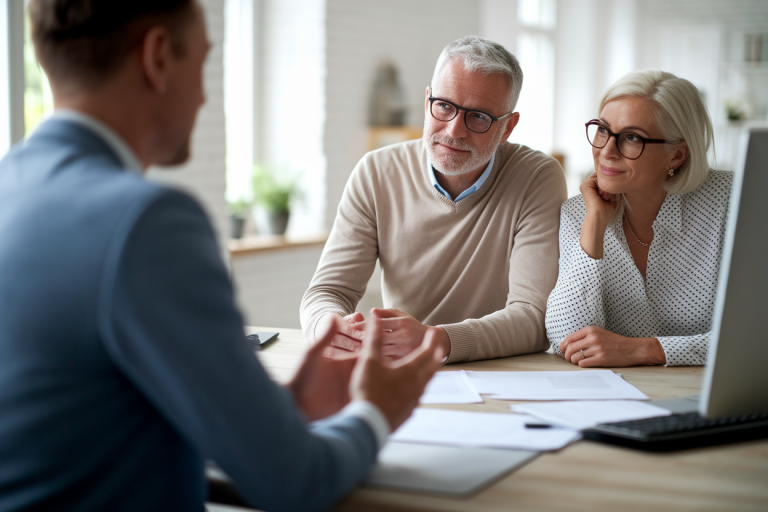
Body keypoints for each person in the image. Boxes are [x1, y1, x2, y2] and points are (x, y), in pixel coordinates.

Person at [0, 1, 443, 511]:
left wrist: (288, 405)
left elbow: (84, 408)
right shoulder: (146, 224)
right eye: (205, 63)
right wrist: (377, 412)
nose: (207, 94)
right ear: (158, 56)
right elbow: (295, 482)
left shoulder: (14, 186)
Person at [300, 36, 567, 363]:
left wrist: (435, 340)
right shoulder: (376, 171)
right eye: (444, 106)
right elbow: (327, 292)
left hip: (500, 375)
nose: (455, 131)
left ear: (507, 127)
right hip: (400, 371)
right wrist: (329, 329)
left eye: (479, 117)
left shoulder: (537, 177)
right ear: (428, 101)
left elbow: (533, 318)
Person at [545, 69, 732, 368]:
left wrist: (644, 350)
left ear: (677, 156)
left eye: (632, 138)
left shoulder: (732, 203)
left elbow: (753, 336)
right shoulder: (578, 212)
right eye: (603, 130)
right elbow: (568, 339)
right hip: (619, 395)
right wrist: (594, 224)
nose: (606, 151)